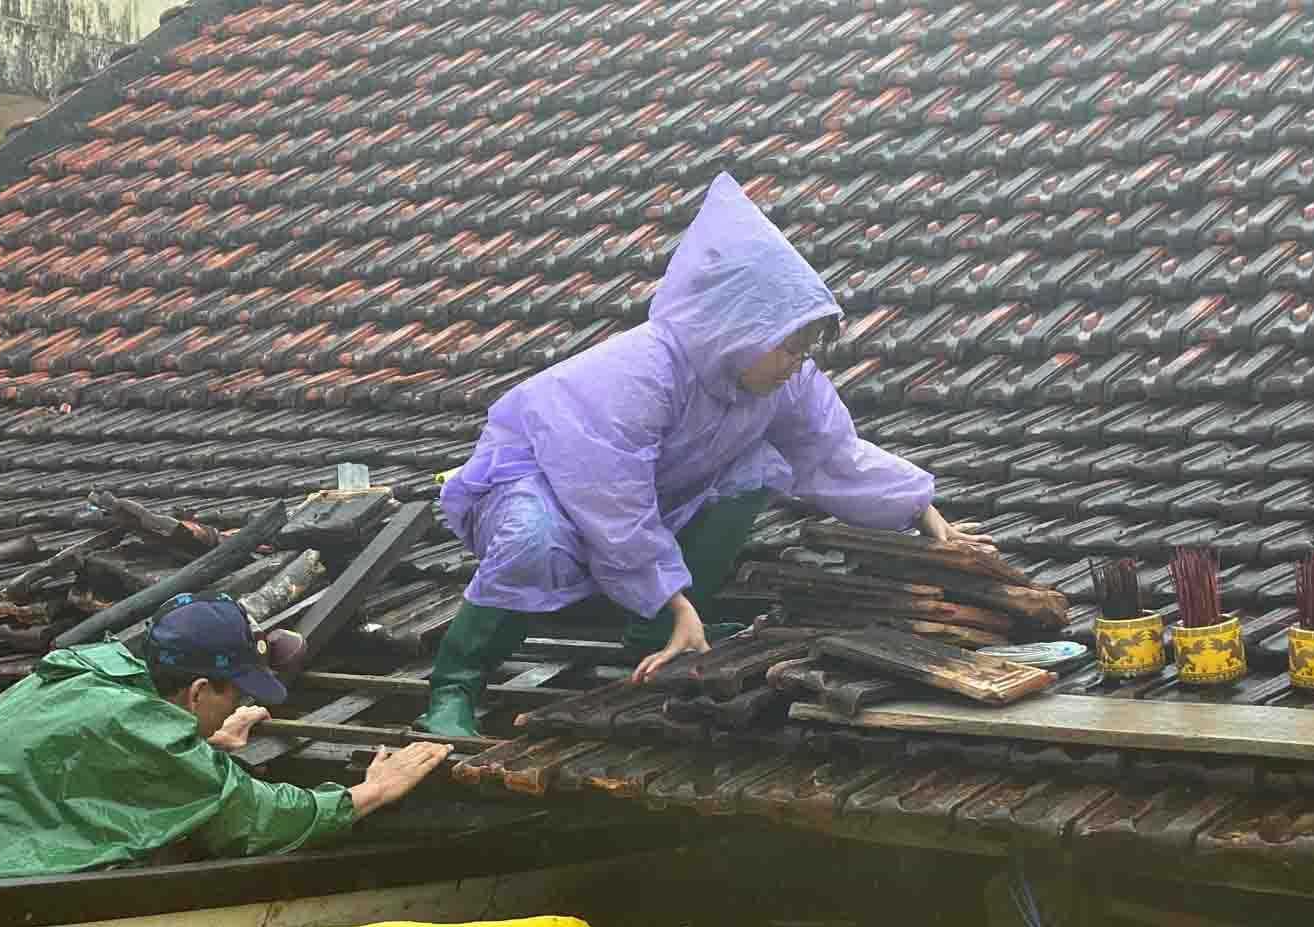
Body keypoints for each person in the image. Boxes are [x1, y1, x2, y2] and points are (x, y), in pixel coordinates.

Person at [414, 173, 995, 738]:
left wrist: (925, 514)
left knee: (759, 467)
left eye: (805, 349)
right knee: (532, 539)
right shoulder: (644, 370)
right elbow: (612, 498)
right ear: (746, 330)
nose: (799, 362)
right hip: (540, 484)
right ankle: (456, 685)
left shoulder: (783, 382)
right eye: (791, 346)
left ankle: (655, 633)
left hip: (644, 498)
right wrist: (670, 597)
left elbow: (833, 451)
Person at [0, 594, 452, 882]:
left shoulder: (86, 677)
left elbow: (84, 765)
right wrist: (370, 793)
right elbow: (255, 815)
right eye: (234, 694)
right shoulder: (140, 727)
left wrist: (206, 746)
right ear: (196, 693)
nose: (243, 705)